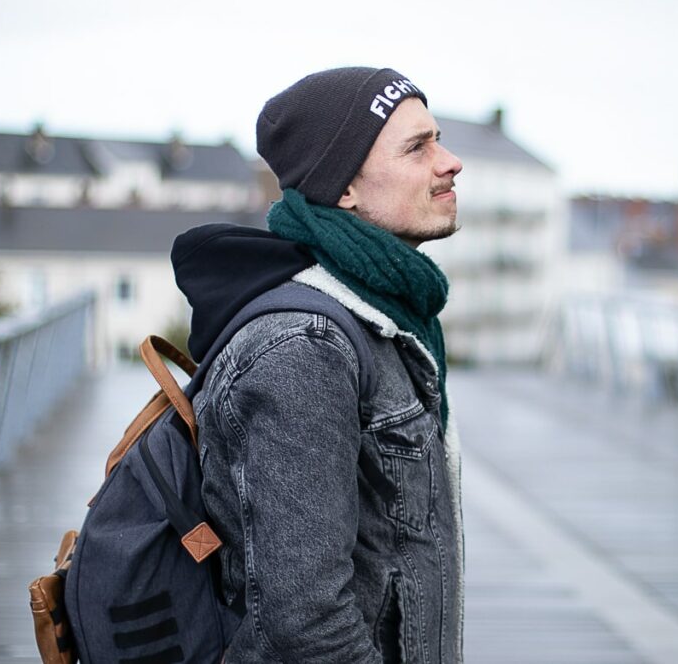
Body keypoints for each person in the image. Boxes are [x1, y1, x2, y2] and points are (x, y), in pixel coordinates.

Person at [170, 67, 464, 662]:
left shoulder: (379, 319)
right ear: (344, 188)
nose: (450, 161)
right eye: (417, 147)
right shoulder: (306, 347)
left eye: (437, 137)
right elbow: (305, 623)